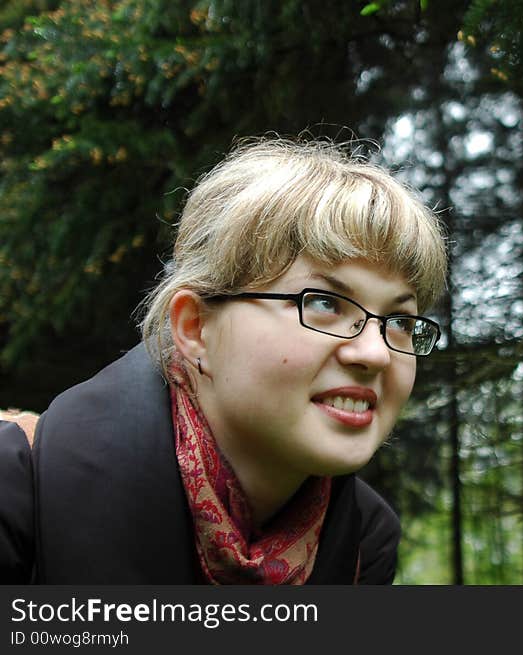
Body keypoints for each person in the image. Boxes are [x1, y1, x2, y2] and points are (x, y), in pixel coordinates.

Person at [1, 136, 447, 584]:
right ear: (196, 328)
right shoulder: (19, 487)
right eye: (326, 303)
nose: (375, 352)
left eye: (399, 321)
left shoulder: (364, 546)